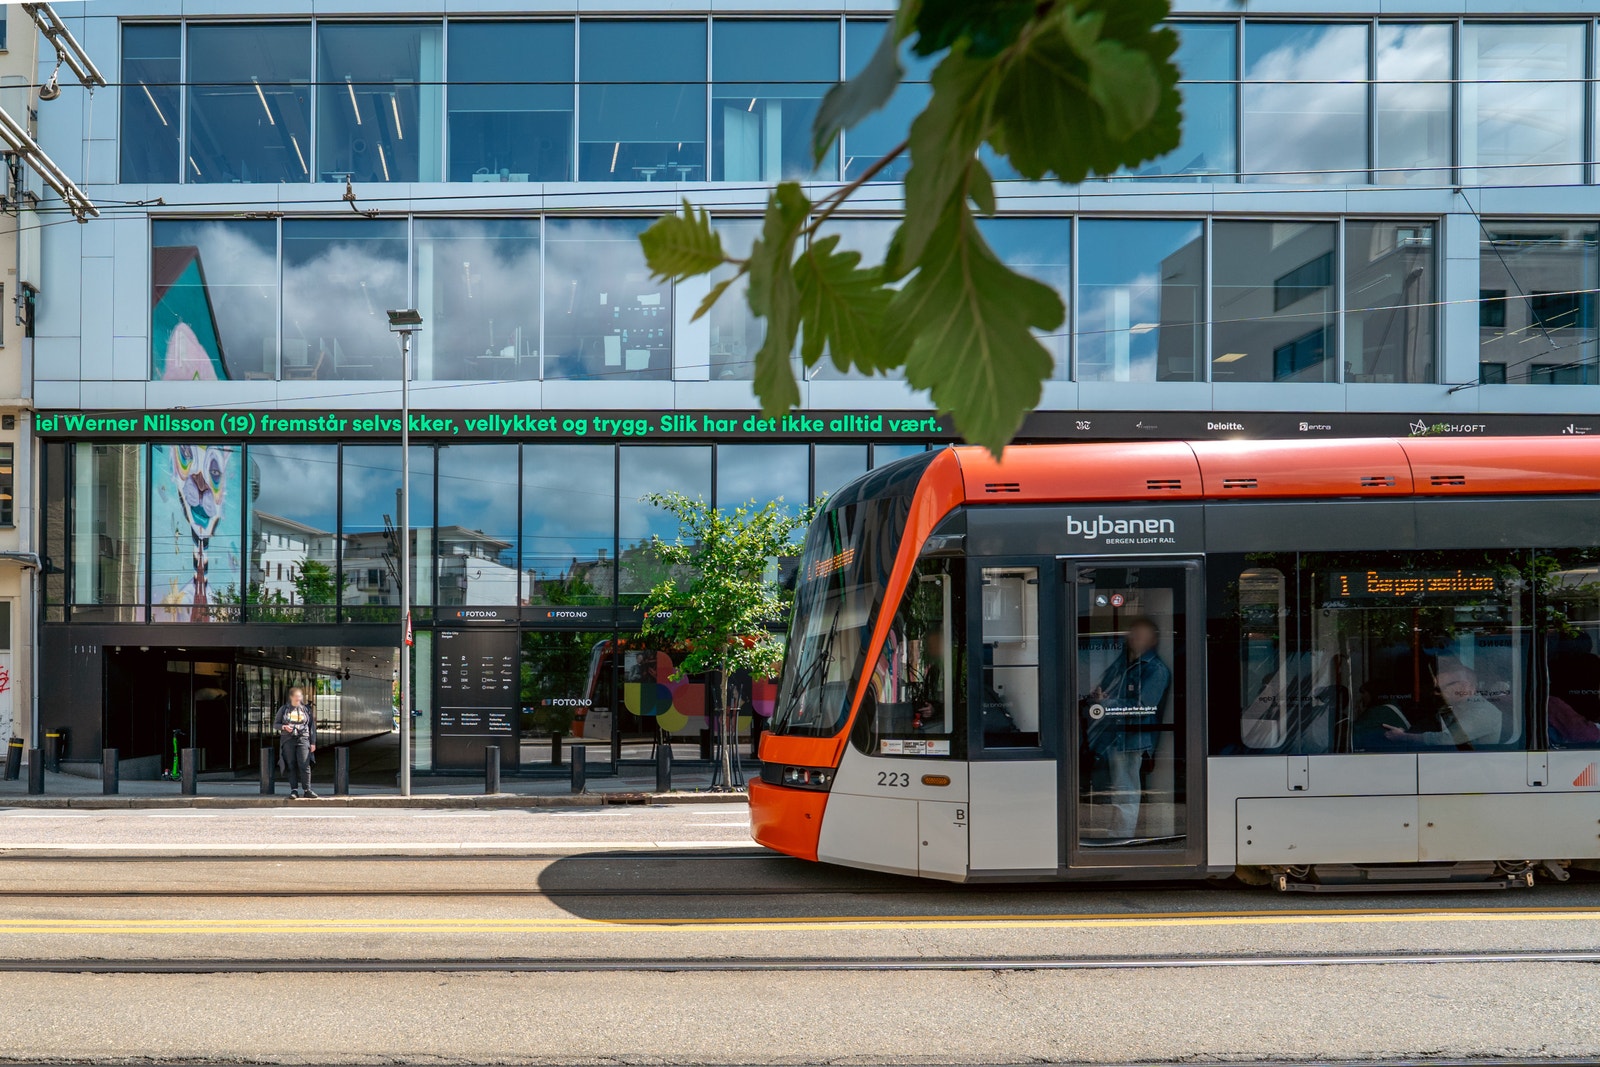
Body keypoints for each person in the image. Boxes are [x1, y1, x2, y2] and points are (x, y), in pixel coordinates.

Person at [1083, 617, 1171, 842]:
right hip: (1116, 735)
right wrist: (1100, 697)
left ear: (1152, 640)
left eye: (1140, 635)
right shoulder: (1125, 663)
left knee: (1126, 791)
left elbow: (1143, 707)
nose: (1134, 639)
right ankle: (1117, 832)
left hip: (1132, 738)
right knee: (1117, 789)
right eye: (1133, 634)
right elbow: (1110, 691)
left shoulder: (1155, 669)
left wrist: (1105, 703)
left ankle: (1122, 835)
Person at [1383, 658, 1502, 749]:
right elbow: (1429, 729)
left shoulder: (1485, 712)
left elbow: (1447, 739)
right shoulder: (1454, 707)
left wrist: (1404, 737)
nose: (1435, 693)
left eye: (1440, 688)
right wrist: (1407, 733)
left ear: (1465, 686)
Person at [275, 686, 319, 799]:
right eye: (296, 696)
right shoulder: (284, 709)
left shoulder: (306, 709)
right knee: (291, 764)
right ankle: (294, 790)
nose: (298, 699)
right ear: (291, 697)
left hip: (303, 739)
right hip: (288, 740)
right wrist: (284, 727)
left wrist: (313, 742)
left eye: (300, 696)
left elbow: (312, 727)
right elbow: (276, 724)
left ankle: (307, 789)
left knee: (305, 764)